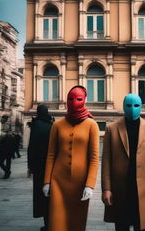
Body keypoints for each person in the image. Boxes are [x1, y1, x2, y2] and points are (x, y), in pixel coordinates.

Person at [102, 94, 145, 231]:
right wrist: (106, 189)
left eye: (136, 105)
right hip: (121, 188)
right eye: (129, 105)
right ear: (123, 106)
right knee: (122, 225)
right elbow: (106, 161)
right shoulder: (112, 129)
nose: (132, 109)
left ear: (141, 107)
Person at [43, 86, 99, 231]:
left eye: (79, 98)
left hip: (80, 184)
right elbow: (50, 155)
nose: (74, 101)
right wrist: (47, 181)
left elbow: (94, 158)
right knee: (56, 223)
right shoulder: (57, 125)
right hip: (58, 182)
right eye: (71, 98)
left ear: (85, 100)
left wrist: (90, 184)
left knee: (76, 223)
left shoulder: (92, 125)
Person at [28, 104, 53, 231]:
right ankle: (52, 222)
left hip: (39, 167)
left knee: (41, 196)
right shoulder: (52, 124)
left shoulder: (36, 125)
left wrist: (30, 166)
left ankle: (47, 224)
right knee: (50, 195)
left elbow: (32, 147)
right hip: (51, 167)